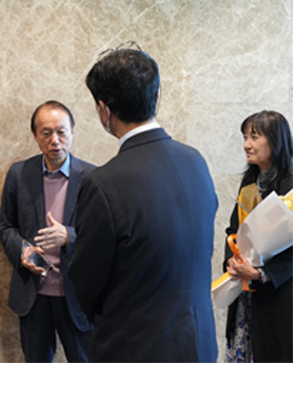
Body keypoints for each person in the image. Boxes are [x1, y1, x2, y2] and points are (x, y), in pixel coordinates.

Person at [68, 44, 217, 362]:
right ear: (157, 95)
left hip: (135, 349)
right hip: (200, 344)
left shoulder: (103, 183)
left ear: (103, 110)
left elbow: (85, 285)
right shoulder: (196, 161)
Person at [0, 101, 94, 363]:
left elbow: (103, 236)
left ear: (72, 131)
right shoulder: (19, 174)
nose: (55, 141)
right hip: (33, 296)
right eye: (46, 133)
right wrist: (23, 250)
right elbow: (5, 226)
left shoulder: (92, 178)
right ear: (35, 136)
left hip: (77, 297)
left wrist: (68, 237)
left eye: (61, 132)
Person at [223, 110, 292, 362]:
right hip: (246, 292)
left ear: (276, 141)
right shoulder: (250, 183)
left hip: (279, 296)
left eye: (254, 137)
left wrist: (262, 273)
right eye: (245, 137)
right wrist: (233, 260)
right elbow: (233, 230)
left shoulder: (290, 186)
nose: (246, 145)